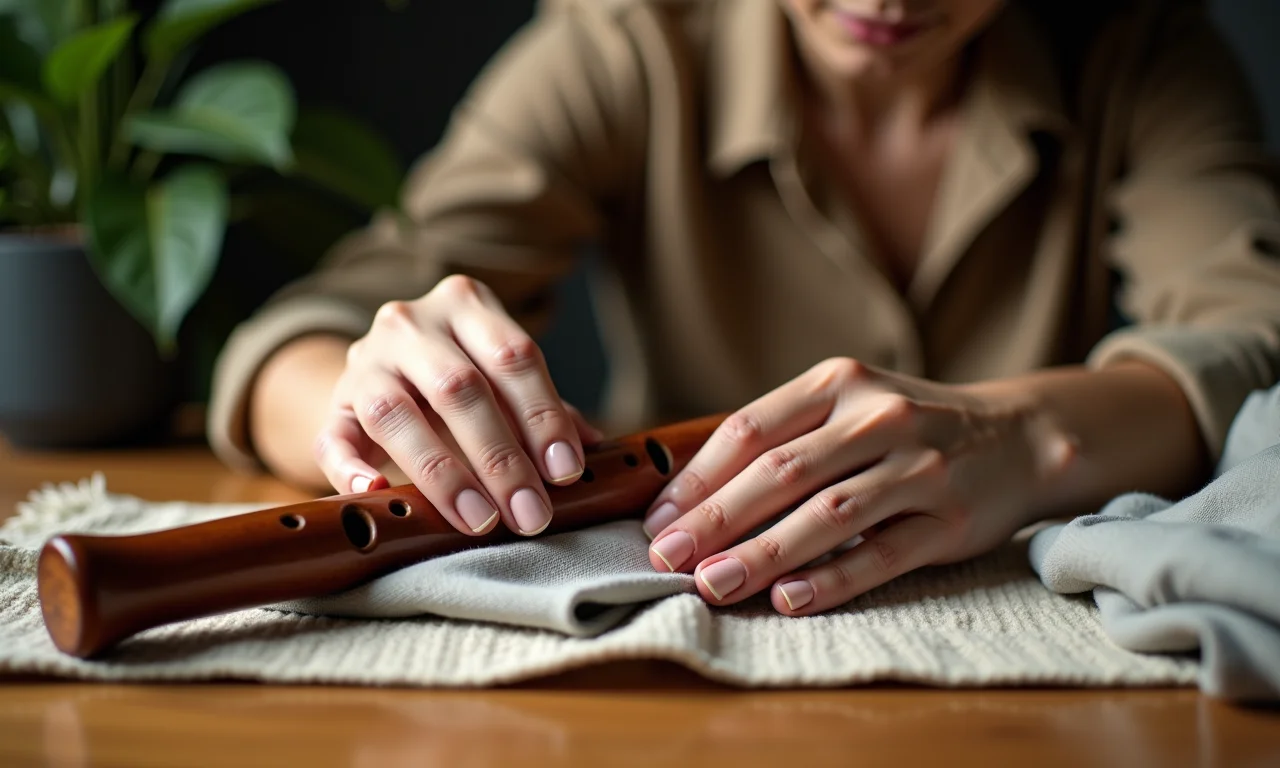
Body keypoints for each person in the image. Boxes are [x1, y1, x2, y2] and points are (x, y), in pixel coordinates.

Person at [208, 0, 1280, 616]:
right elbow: (305, 337)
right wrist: (370, 408)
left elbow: (1254, 338)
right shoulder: (632, 36)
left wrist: (1026, 437)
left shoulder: (1140, 46)